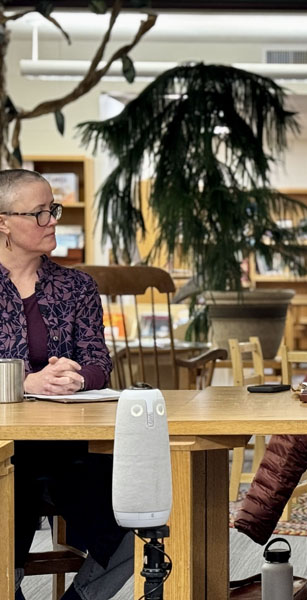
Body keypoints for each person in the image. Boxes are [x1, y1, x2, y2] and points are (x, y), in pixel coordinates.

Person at [0, 169, 132, 600]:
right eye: (39, 214)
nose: (53, 221)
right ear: (3, 221)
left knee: (142, 518)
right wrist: (30, 380)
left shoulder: (76, 286)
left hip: (70, 445)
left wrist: (71, 377)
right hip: (2, 450)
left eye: (52, 210)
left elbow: (99, 363)